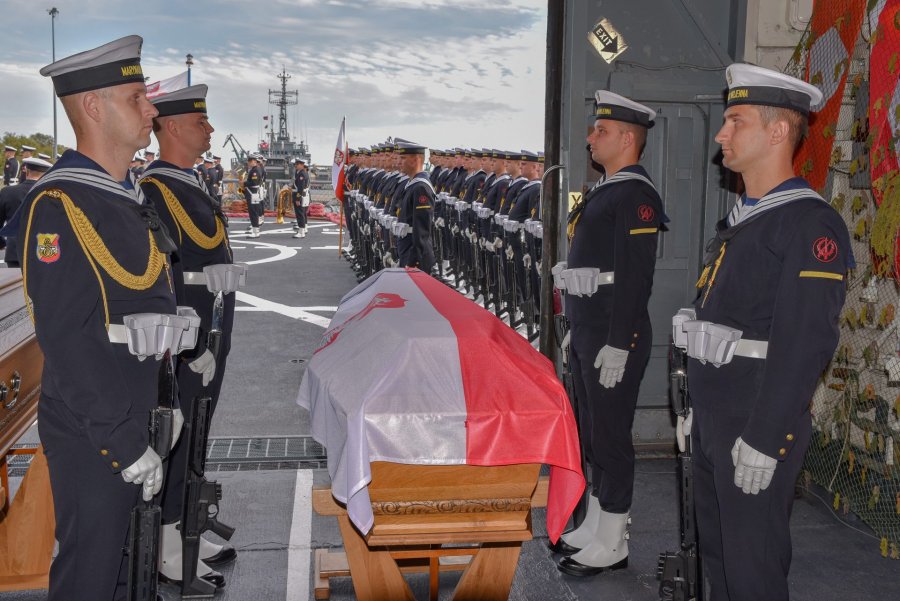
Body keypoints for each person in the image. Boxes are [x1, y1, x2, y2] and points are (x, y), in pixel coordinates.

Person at [18, 35, 183, 601]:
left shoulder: (124, 195)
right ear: (93, 106)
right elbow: (68, 337)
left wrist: (166, 404)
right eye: (137, 97)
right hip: (98, 426)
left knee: (129, 577)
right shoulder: (61, 203)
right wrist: (123, 438)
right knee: (93, 576)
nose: (152, 109)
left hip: (138, 411)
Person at [678, 63, 849, 601]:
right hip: (716, 414)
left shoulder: (808, 224)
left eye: (735, 120)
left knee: (753, 570)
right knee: (721, 562)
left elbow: (805, 343)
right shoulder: (744, 218)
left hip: (754, 420)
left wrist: (766, 435)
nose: (721, 135)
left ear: (778, 131)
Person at [553, 90, 664, 577]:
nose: (589, 137)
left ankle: (614, 538)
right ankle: (597, 525)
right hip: (590, 331)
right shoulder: (607, 190)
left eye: (600, 131)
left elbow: (636, 278)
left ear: (626, 138)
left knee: (612, 437)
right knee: (594, 434)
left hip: (613, 338)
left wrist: (619, 343)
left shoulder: (636, 195)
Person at [140, 83, 237, 590]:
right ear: (172, 127)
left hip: (210, 319)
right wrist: (192, 345)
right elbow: (168, 274)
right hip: (191, 330)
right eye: (201, 122)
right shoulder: (157, 188)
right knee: (180, 433)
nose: (210, 130)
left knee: (200, 424)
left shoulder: (188, 181)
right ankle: (169, 540)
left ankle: (187, 522)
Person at [0, 157, 52, 267]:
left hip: (15, 252)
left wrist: (2, 243)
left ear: (27, 171)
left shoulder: (7, 192)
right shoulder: (54, 195)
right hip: (45, 251)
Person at [395, 141, 435, 273]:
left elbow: (421, 231)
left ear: (416, 159)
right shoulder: (412, 185)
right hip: (407, 250)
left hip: (415, 256)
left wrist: (413, 261)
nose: (399, 162)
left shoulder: (420, 187)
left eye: (403, 158)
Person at [243, 153, 264, 237]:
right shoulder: (255, 169)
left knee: (253, 212)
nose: (248, 163)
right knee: (253, 212)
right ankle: (255, 230)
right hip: (253, 193)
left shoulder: (255, 171)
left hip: (253, 193)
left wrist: (244, 183)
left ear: (254, 161)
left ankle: (256, 232)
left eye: (249, 161)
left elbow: (254, 182)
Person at [292, 157, 310, 238]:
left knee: (300, 214)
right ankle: (303, 229)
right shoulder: (301, 173)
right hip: (302, 195)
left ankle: (301, 231)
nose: (296, 165)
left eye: (297, 164)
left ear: (302, 165)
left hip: (300, 196)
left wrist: (297, 199)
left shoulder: (301, 174)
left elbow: (300, 188)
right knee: (302, 213)